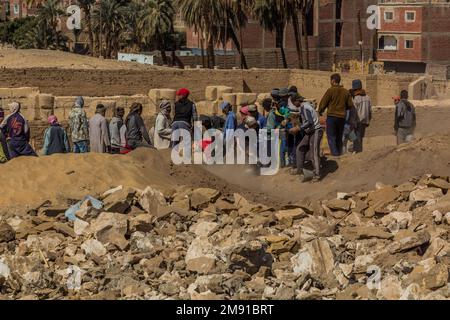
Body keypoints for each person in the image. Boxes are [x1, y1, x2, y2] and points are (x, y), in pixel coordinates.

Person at [319, 73, 354, 157]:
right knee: (339, 137)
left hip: (332, 117)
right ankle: (339, 153)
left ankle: (335, 155)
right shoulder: (345, 92)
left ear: (333, 81)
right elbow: (350, 105)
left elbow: (323, 103)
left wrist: (320, 111)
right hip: (342, 118)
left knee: (331, 137)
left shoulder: (330, 90)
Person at [290, 94, 323, 182]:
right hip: (310, 132)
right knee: (300, 149)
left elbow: (310, 122)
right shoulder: (303, 107)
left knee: (314, 153)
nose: (293, 104)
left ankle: (317, 174)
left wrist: (298, 128)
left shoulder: (305, 107)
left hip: (316, 131)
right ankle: (300, 169)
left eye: (293, 102)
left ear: (297, 101)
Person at [351, 79, 372, 153]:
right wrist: (368, 120)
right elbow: (370, 111)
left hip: (358, 121)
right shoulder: (368, 97)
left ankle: (358, 151)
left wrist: (352, 122)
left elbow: (353, 112)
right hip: (365, 121)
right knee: (360, 137)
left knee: (357, 137)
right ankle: (358, 150)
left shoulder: (356, 99)